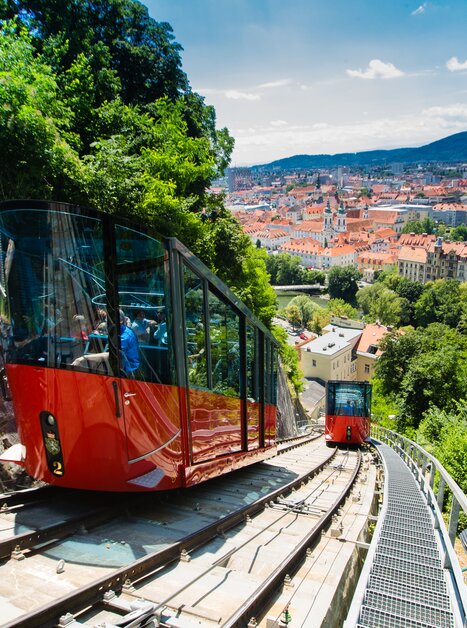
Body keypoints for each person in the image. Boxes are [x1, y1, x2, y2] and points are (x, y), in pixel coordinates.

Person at [72, 310, 140, 374]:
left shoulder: (125, 336)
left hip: (129, 374)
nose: (107, 323)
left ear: (120, 321)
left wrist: (84, 358)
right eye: (107, 320)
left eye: (110, 320)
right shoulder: (117, 331)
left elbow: (111, 354)